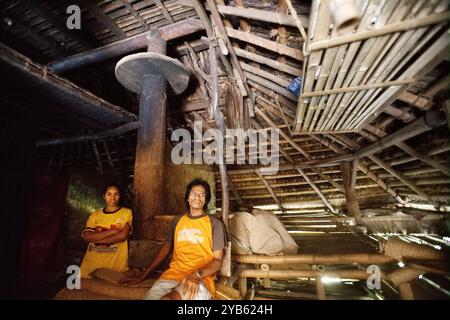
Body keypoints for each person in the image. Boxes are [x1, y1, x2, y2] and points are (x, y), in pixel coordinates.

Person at [120, 178, 227, 300]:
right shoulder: (177, 221)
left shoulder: (214, 224)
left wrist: (197, 275)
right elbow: (165, 249)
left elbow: (218, 261)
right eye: (194, 193)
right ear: (187, 198)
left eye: (202, 194)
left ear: (205, 200)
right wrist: (144, 275)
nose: (197, 197)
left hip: (200, 279)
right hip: (172, 276)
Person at [79, 183, 133, 278]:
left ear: (120, 196)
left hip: (114, 265)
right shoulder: (95, 215)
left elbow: (122, 236)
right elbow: (87, 236)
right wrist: (112, 231)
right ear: (104, 196)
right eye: (109, 194)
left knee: (112, 289)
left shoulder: (126, 213)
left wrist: (96, 240)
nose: (112, 197)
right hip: (91, 263)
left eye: (116, 194)